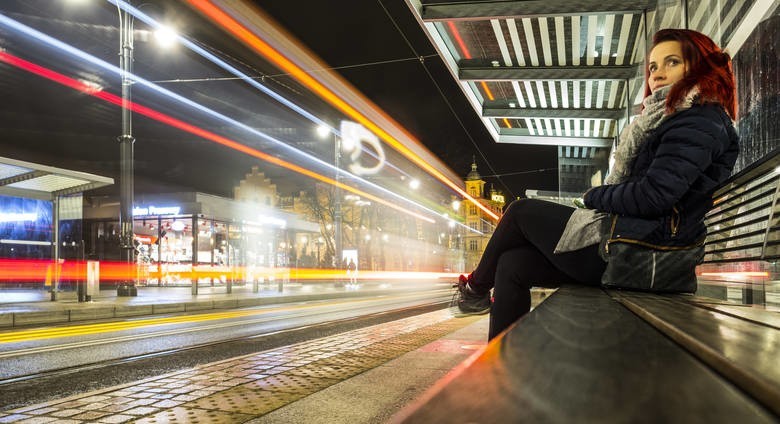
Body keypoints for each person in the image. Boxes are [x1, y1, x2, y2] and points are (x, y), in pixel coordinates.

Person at [455, 28, 740, 340]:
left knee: (521, 213)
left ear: (698, 66)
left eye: (671, 62)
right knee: (513, 263)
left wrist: (594, 197)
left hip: (647, 256)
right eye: (653, 67)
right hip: (641, 247)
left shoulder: (698, 121)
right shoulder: (681, 118)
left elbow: (653, 196)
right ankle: (500, 366)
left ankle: (474, 290)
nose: (657, 74)